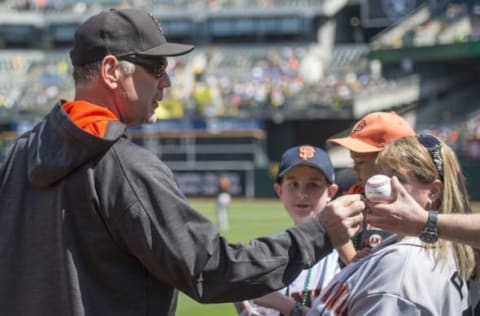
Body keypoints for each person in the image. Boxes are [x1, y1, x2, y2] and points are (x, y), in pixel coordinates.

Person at [0, 8, 366, 316]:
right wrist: (320, 231)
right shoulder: (124, 168)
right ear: (112, 71)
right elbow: (214, 271)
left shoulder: (17, 153)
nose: (167, 83)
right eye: (157, 67)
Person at [308, 134, 479, 315]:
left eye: (399, 179)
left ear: (433, 192)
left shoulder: (402, 265)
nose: (381, 187)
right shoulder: (444, 247)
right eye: (381, 174)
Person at [235, 145, 343, 316]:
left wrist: (283, 304)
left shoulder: (345, 253)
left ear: (331, 192)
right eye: (293, 184)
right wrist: (244, 309)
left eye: (313, 185)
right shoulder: (266, 252)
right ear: (279, 190)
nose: (302, 194)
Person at [327, 111, 415, 261]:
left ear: (393, 161)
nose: (354, 169)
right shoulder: (357, 194)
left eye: (360, 162)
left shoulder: (423, 203)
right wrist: (352, 260)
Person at [366, 177, 480, 249]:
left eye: (400, 179)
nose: (389, 188)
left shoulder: (406, 257)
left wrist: (426, 222)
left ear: (434, 191)